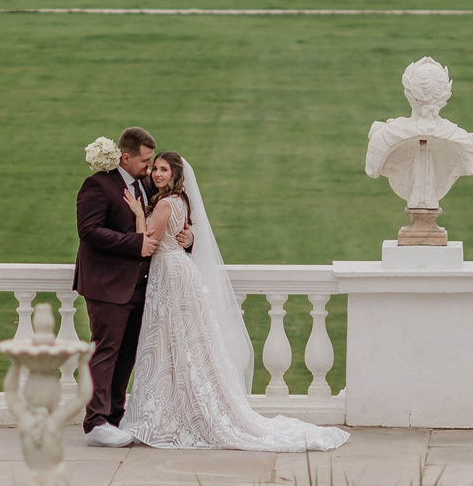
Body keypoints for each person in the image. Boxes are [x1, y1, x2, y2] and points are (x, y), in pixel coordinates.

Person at [117, 153, 350, 454]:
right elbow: (179, 236)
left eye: (164, 170)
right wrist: (185, 238)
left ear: (175, 175)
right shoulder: (180, 201)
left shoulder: (164, 204)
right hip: (176, 271)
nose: (157, 174)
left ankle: (169, 413)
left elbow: (147, 244)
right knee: (178, 341)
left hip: (169, 274)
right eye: (155, 169)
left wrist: (138, 213)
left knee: (171, 339)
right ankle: (176, 406)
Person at [73, 127, 184, 445]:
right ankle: (95, 423)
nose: (150, 168)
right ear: (125, 157)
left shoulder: (146, 185)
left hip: (140, 285)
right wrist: (135, 244)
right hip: (107, 285)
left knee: (127, 354)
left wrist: (187, 236)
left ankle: (113, 417)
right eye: (146, 161)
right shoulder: (97, 186)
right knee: (106, 350)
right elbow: (89, 231)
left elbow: (166, 220)